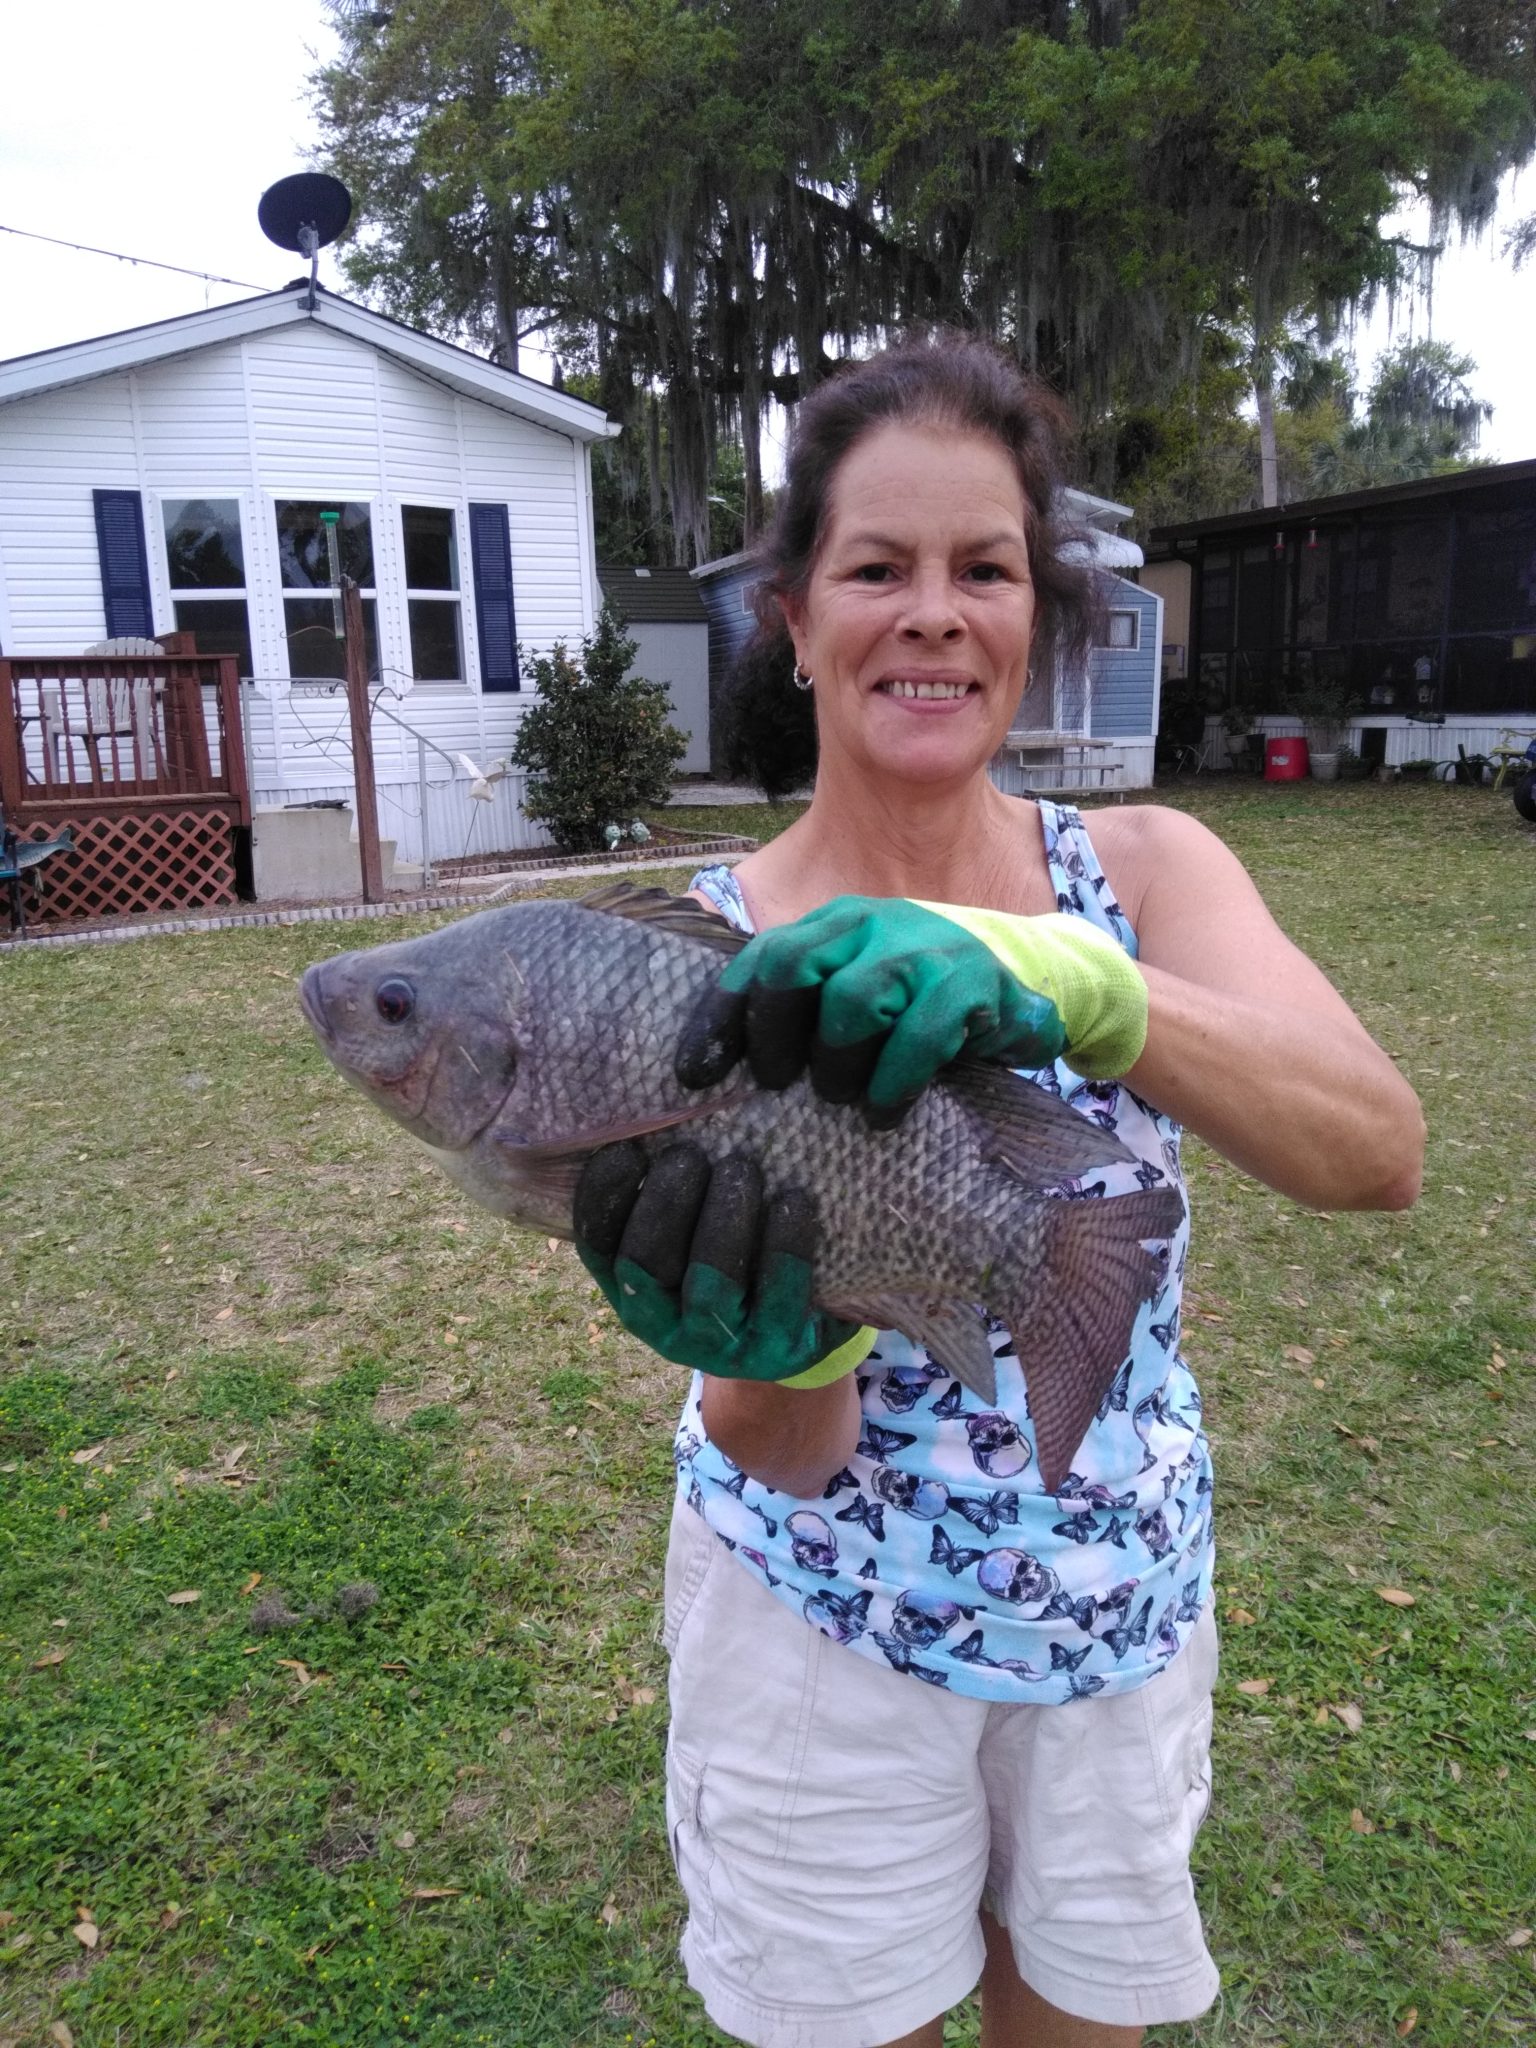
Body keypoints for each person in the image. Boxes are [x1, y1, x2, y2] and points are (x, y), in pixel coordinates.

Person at [574, 336, 1425, 2048]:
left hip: (1113, 1604)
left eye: (987, 569)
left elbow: (1376, 1152)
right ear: (792, 618)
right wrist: (786, 1342)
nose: (936, 613)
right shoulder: (674, 961)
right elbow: (781, 1447)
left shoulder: (1146, 871)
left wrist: (1081, 981)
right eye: (876, 568)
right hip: (820, 1643)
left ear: (1037, 616)